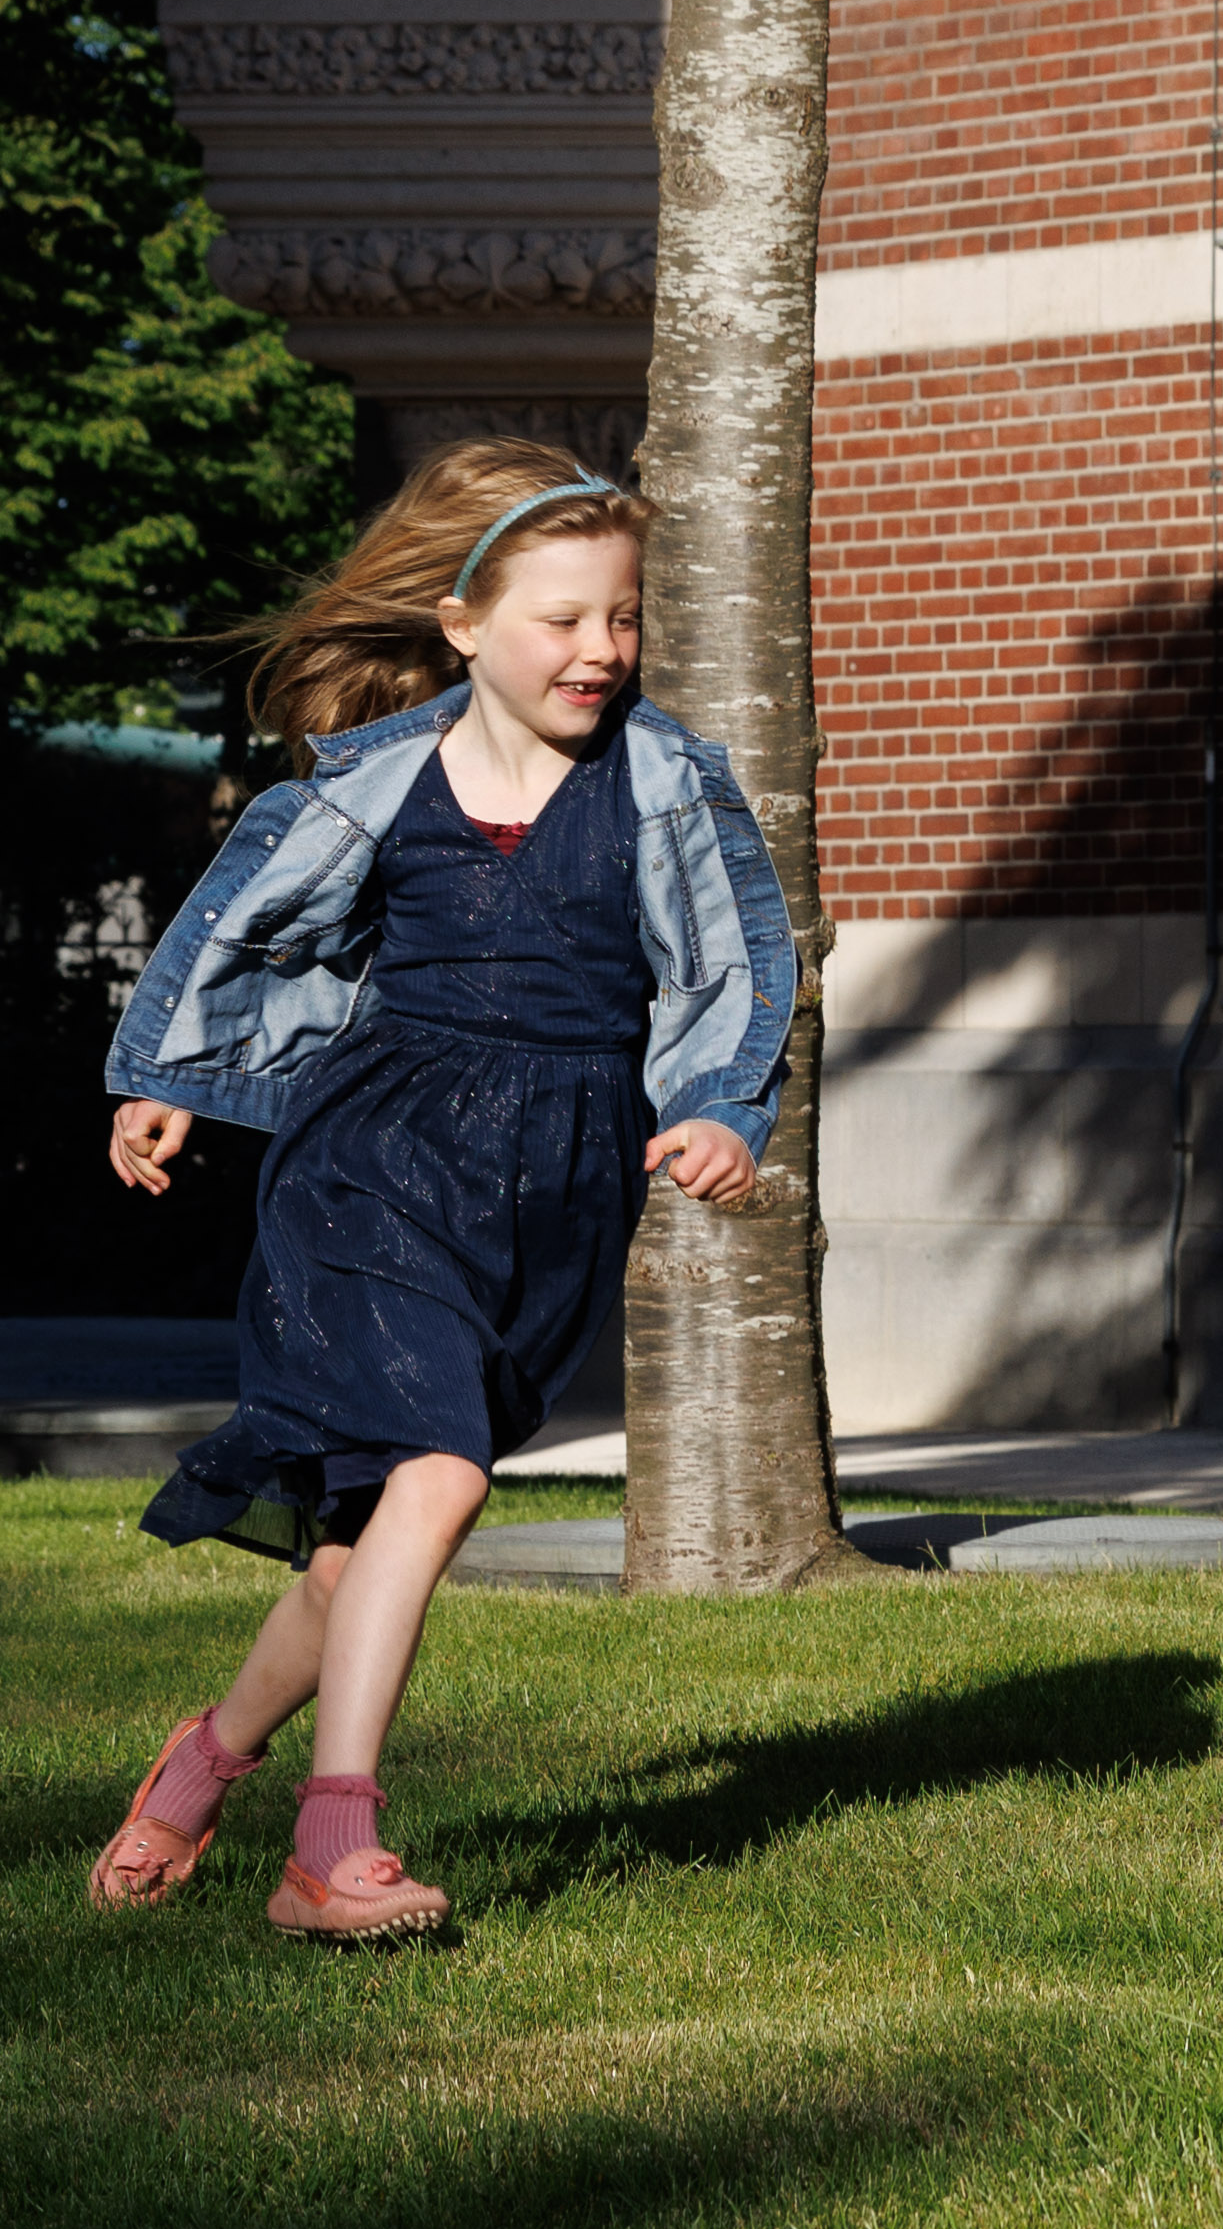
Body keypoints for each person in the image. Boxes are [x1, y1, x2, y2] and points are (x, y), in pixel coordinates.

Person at [84, 439, 795, 1940]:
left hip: (554, 1190)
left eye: (624, 617)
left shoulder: (668, 784)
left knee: (358, 1563)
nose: (602, 649)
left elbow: (727, 960)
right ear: (465, 624)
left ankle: (202, 1766)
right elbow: (252, 930)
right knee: (445, 1473)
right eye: (564, 618)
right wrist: (171, 1078)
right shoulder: (379, 780)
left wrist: (721, 1110)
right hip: (373, 1161)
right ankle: (333, 1846)